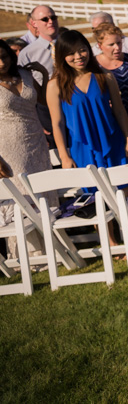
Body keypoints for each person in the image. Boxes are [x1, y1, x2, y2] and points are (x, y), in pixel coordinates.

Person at [47, 30, 128, 174]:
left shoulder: (105, 76)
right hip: (82, 148)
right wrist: (64, 156)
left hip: (113, 143)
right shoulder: (55, 85)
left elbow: (119, 110)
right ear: (62, 56)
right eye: (71, 53)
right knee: (95, 194)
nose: (78, 56)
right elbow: (58, 123)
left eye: (82, 50)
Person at [0, 39, 53, 259]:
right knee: (21, 195)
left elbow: (42, 100)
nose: (1, 62)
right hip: (8, 147)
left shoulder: (25, 74)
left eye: (4, 56)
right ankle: (28, 254)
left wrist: (44, 75)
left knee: (44, 191)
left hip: (36, 142)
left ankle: (53, 245)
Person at [17, 5, 61, 145]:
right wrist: (36, 120)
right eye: (45, 19)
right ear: (34, 24)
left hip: (78, 104)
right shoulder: (27, 54)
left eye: (53, 17)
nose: (50, 21)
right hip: (46, 111)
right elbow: (24, 92)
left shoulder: (72, 45)